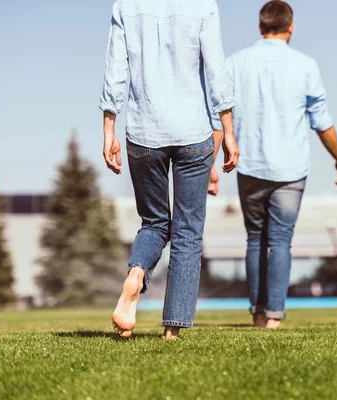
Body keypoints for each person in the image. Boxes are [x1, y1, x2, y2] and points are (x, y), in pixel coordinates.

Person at [99, 0, 239, 340]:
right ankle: (172, 330)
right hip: (193, 133)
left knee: (154, 222)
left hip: (144, 135)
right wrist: (230, 131)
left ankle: (136, 272)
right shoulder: (203, 5)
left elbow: (115, 70)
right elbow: (216, 69)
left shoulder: (126, 5)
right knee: (188, 232)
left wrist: (108, 130)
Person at [210, 0, 337, 328]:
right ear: (291, 27)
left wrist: (211, 165)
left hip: (249, 166)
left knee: (255, 239)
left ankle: (258, 314)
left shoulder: (235, 63)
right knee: (281, 241)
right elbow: (322, 121)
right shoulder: (306, 66)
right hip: (291, 169)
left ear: (261, 27)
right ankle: (275, 317)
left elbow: (219, 118)